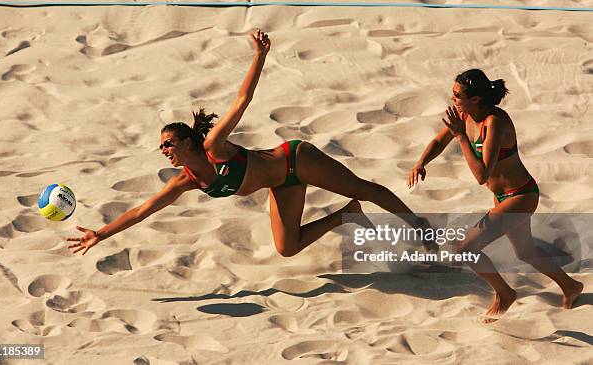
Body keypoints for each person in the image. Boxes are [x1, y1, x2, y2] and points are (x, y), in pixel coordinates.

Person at [68, 30, 432, 259]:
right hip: (280, 184)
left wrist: (259, 56)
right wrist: (100, 233)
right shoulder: (185, 181)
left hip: (295, 161)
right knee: (287, 249)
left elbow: (242, 99)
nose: (163, 150)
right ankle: (345, 215)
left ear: (187, 142)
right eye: (161, 146)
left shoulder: (214, 145)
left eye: (168, 143)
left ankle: (419, 228)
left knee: (367, 189)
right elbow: (142, 210)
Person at [408, 69, 583, 320]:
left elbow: (481, 175)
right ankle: (571, 286)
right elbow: (438, 141)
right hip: (502, 197)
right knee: (525, 251)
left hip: (520, 195)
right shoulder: (464, 114)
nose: (452, 98)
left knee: (466, 248)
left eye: (457, 95)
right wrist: (420, 163)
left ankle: (504, 294)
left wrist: (460, 135)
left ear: (476, 99)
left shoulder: (495, 122)